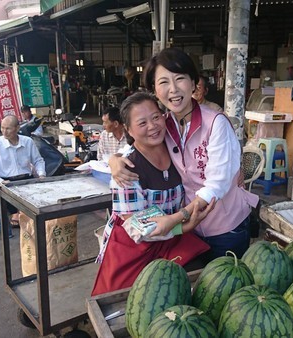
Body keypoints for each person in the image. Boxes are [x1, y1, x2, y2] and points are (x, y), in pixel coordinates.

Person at [110, 47, 259, 263]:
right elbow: (137, 144)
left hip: (226, 227)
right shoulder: (165, 124)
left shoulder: (216, 123)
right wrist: (114, 160)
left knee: (227, 286)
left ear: (194, 83)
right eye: (163, 82)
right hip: (192, 230)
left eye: (179, 79)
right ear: (155, 89)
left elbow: (217, 184)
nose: (173, 89)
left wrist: (176, 219)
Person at [91, 92, 212, 295]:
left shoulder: (175, 148)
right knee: (133, 303)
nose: (152, 126)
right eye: (142, 123)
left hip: (172, 239)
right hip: (137, 247)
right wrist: (182, 223)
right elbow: (139, 228)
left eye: (156, 117)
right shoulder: (127, 169)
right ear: (128, 129)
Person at [0, 115, 46, 225]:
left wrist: (41, 174)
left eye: (8, 128)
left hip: (25, 180)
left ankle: (22, 214)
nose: (4, 132)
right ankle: (14, 213)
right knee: (18, 211)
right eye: (2, 128)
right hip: (5, 183)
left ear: (17, 128)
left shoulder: (28, 142)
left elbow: (38, 160)